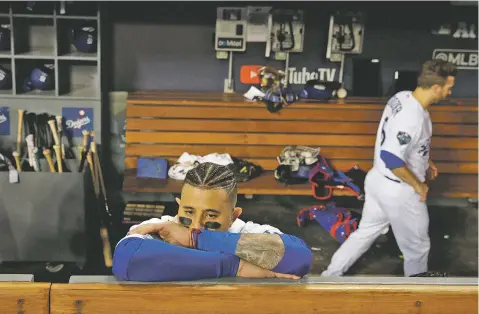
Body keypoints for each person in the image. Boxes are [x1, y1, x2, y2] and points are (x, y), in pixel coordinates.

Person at [321, 60, 457, 277]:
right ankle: (416, 299)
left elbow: (402, 142)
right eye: (448, 88)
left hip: (377, 181)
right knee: (417, 250)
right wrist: (418, 185)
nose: (450, 92)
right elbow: (391, 157)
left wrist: (425, 159)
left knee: (365, 233)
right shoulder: (411, 116)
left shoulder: (403, 97)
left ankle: (329, 276)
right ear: (435, 88)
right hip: (399, 189)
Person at [113, 162, 313, 282]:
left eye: (210, 215)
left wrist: (194, 239)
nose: (196, 225)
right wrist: (234, 267)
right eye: (189, 211)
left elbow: (300, 258)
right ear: (178, 205)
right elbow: (127, 258)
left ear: (234, 215)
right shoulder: (163, 227)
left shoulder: (247, 231)